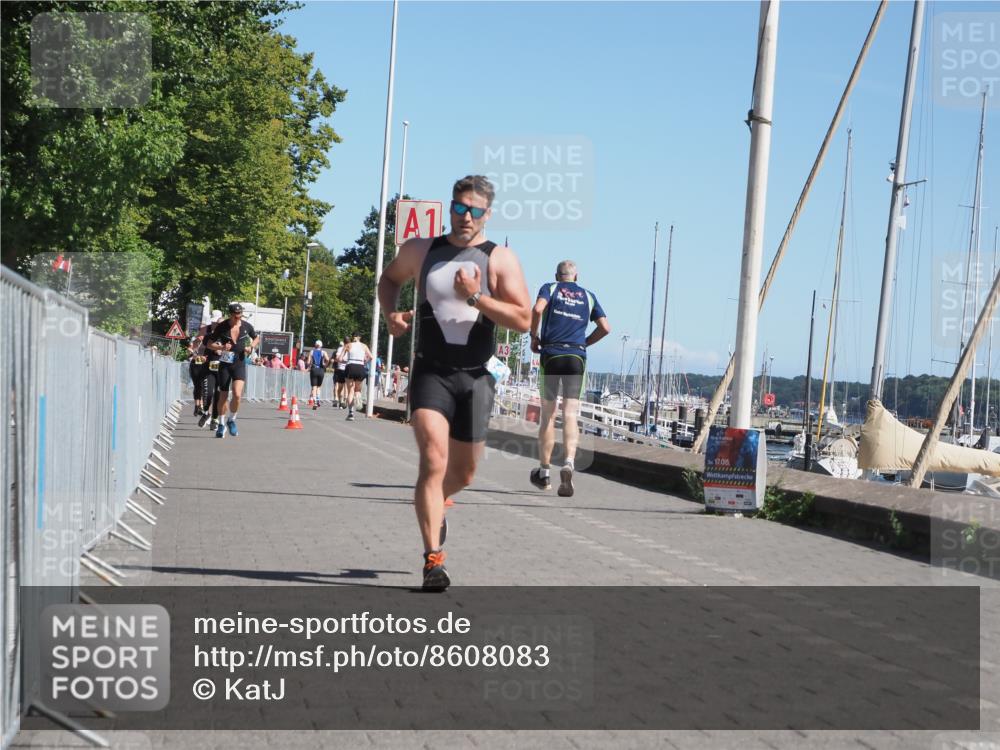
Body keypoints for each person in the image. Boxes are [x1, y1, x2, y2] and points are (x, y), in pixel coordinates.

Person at [378, 175, 530, 590]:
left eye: (475, 210)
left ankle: (435, 504)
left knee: (463, 473)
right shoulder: (421, 250)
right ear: (450, 207)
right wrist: (391, 314)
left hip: (477, 377)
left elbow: (523, 320)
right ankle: (433, 560)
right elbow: (389, 280)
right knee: (433, 459)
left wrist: (477, 297)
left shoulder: (499, 259)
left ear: (488, 214)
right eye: (459, 207)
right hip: (431, 371)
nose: (466, 217)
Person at [529, 260, 610, 497]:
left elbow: (536, 310)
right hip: (576, 356)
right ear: (576, 276)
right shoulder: (588, 296)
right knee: (571, 413)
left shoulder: (550, 288)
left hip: (551, 353)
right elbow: (605, 327)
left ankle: (544, 473)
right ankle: (569, 462)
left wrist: (534, 336)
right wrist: (585, 342)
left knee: (549, 415)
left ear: (557, 275)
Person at [205, 303, 259, 438]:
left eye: (240, 315)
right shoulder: (222, 327)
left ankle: (232, 420)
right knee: (223, 396)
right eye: (236, 316)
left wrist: (251, 347)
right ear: (230, 315)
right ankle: (221, 424)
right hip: (224, 364)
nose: (238, 318)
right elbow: (209, 344)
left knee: (237, 394)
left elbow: (257, 338)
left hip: (239, 363)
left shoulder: (246, 326)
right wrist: (222, 347)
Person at [188, 309, 223, 428]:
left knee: (218, 393)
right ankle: (204, 411)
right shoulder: (206, 330)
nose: (214, 325)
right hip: (207, 363)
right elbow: (193, 345)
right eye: (213, 323)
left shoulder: (226, 332)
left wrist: (222, 349)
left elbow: (232, 348)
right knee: (206, 391)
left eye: (217, 324)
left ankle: (215, 419)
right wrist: (195, 354)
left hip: (221, 365)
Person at [340, 334, 372, 422]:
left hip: (350, 366)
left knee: (350, 391)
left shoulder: (348, 345)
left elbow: (339, 358)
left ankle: (351, 412)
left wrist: (343, 361)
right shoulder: (364, 346)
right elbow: (371, 357)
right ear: (359, 337)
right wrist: (365, 361)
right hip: (360, 367)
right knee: (357, 390)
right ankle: (358, 401)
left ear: (353, 337)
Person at [308, 340, 329, 409]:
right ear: (321, 345)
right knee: (319, 387)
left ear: (315, 345)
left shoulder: (311, 352)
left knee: (314, 387)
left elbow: (308, 362)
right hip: (321, 370)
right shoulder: (323, 352)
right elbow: (328, 359)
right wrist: (325, 365)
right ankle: (318, 399)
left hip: (314, 369)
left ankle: (315, 402)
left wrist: (310, 365)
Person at [334, 336, 350, 408]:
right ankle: (340, 400)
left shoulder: (351, 349)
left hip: (348, 369)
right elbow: (337, 359)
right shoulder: (340, 349)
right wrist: (344, 361)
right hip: (340, 369)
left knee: (346, 386)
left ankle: (344, 401)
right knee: (340, 386)